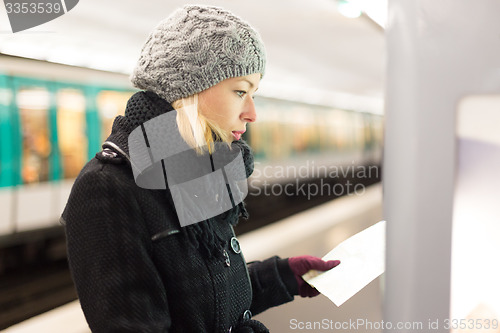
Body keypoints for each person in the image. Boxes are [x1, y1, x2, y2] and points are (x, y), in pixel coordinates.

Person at [62, 5, 340, 333]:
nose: (252, 113)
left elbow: (203, 298)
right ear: (189, 90)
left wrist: (282, 276)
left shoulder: (195, 169)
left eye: (253, 95)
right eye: (240, 92)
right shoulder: (108, 188)